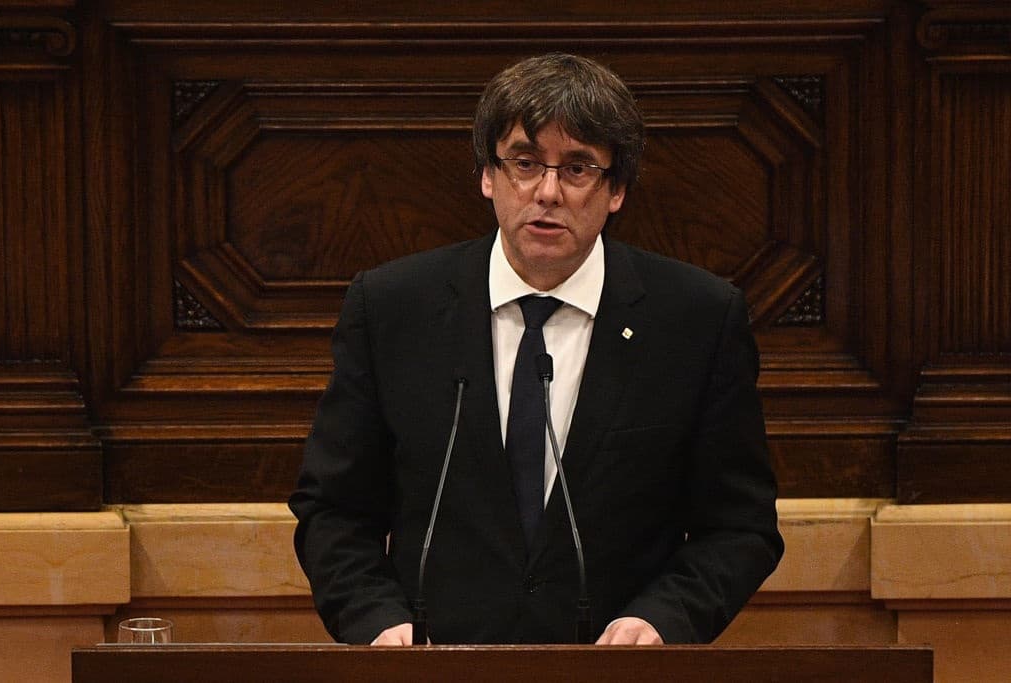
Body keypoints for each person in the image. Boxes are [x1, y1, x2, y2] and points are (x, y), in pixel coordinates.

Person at [289, 53, 783, 646]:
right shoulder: (395, 306)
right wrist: (374, 619)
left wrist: (663, 620)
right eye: (525, 163)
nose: (546, 192)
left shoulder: (696, 319)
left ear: (617, 188)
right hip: (433, 667)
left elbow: (740, 526)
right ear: (488, 176)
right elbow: (334, 509)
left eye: (577, 168)